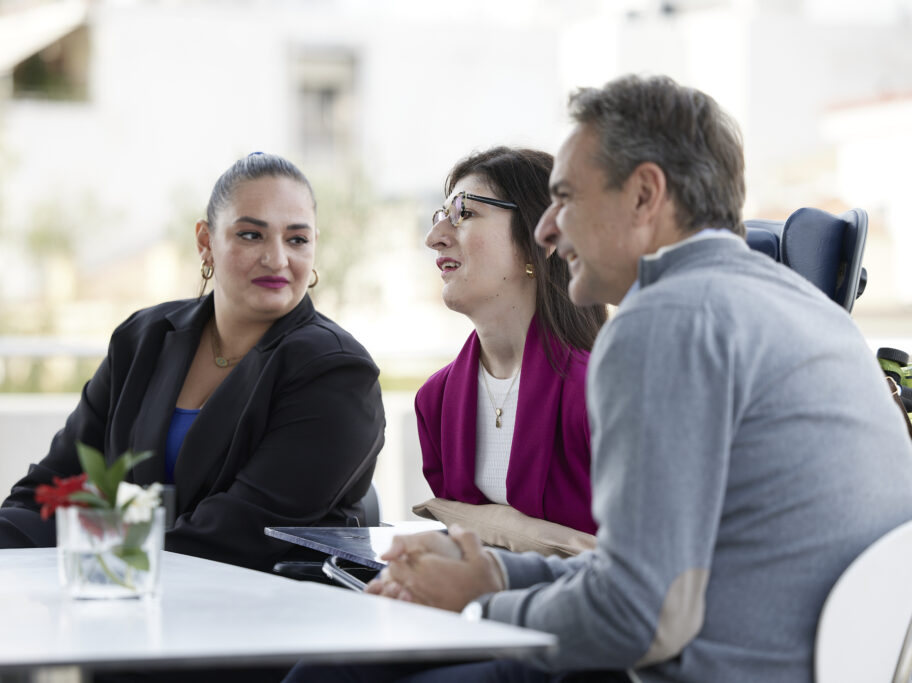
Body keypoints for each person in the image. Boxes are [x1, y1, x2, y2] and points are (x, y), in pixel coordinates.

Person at [291, 75, 912, 683]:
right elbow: (644, 582)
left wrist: (478, 608)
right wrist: (498, 579)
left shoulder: (663, 324)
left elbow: (642, 618)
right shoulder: (799, 309)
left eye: (566, 197)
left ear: (644, 195)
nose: (546, 227)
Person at [0, 152, 386, 573]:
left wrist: (101, 561)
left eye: (297, 239)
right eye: (250, 235)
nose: (277, 259)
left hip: (258, 600)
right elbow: (53, 487)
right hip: (133, 576)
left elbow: (238, 534)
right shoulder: (143, 338)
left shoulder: (338, 371)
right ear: (206, 242)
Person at [417, 147, 606, 534]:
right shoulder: (434, 401)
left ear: (546, 235)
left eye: (464, 214)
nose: (434, 237)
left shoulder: (604, 394)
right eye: (440, 217)